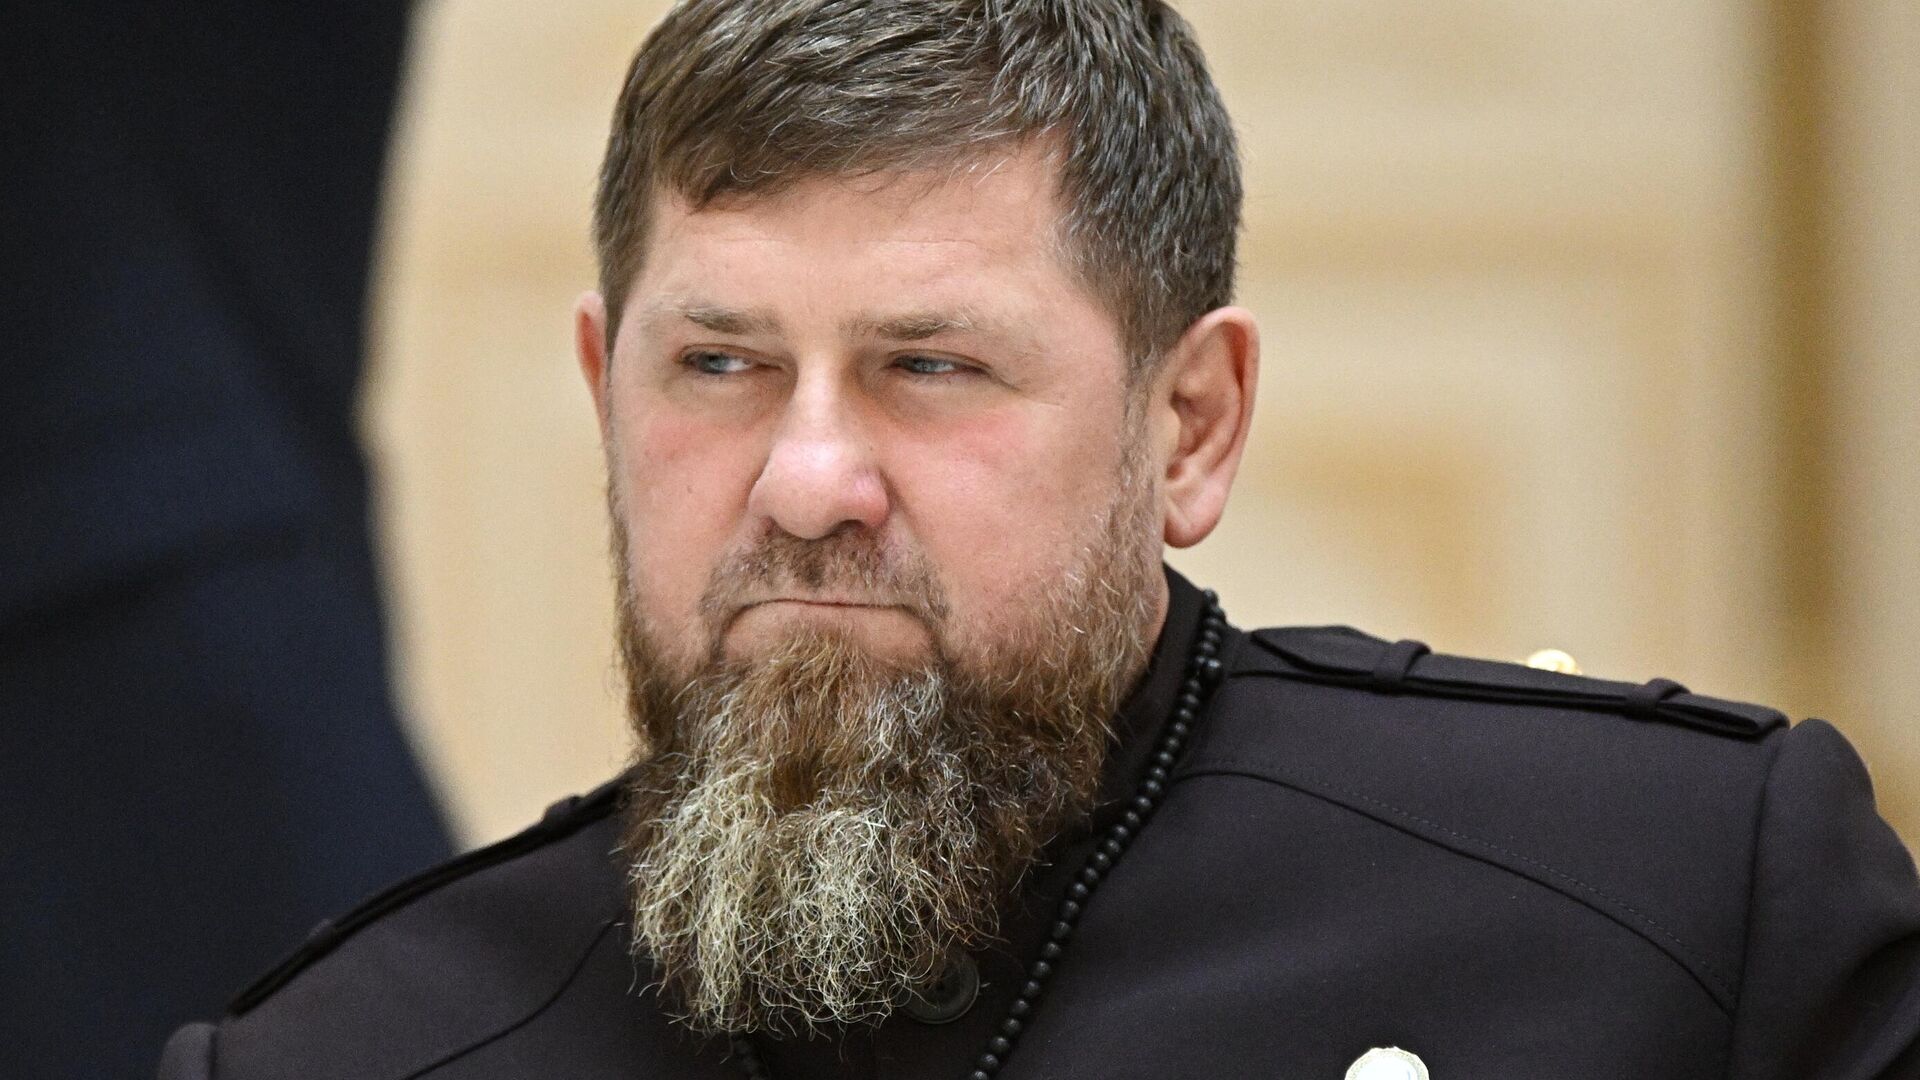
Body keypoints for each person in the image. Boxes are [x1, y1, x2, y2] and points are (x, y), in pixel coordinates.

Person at [158, 0, 1920, 1076]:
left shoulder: (1672, 908)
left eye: (929, 367)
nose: (807, 482)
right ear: (603, 388)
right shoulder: (350, 1054)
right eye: (720, 366)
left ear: (1190, 423)